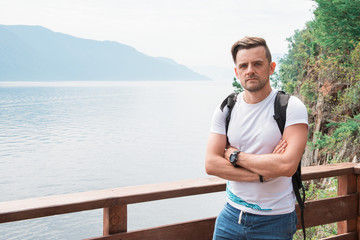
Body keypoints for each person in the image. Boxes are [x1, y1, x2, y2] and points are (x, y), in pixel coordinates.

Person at [205, 36, 308, 240]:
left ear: (271, 68)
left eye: (257, 64)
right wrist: (263, 174)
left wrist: (234, 155)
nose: (249, 70)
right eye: (243, 65)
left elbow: (287, 166)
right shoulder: (226, 108)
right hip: (231, 216)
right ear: (237, 72)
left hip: (275, 220)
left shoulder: (291, 107)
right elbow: (211, 164)